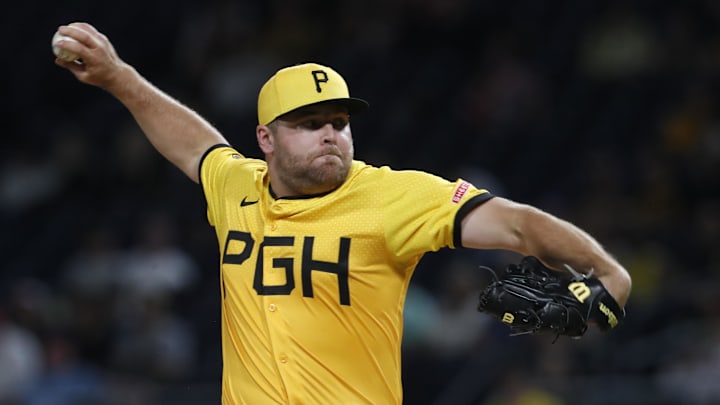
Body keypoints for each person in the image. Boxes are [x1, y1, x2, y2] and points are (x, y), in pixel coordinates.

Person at [54, 22, 632, 404]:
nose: (330, 135)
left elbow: (515, 223)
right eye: (309, 124)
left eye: (340, 123)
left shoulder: (392, 197)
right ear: (267, 139)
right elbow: (193, 143)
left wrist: (608, 271)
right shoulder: (237, 188)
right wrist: (119, 78)